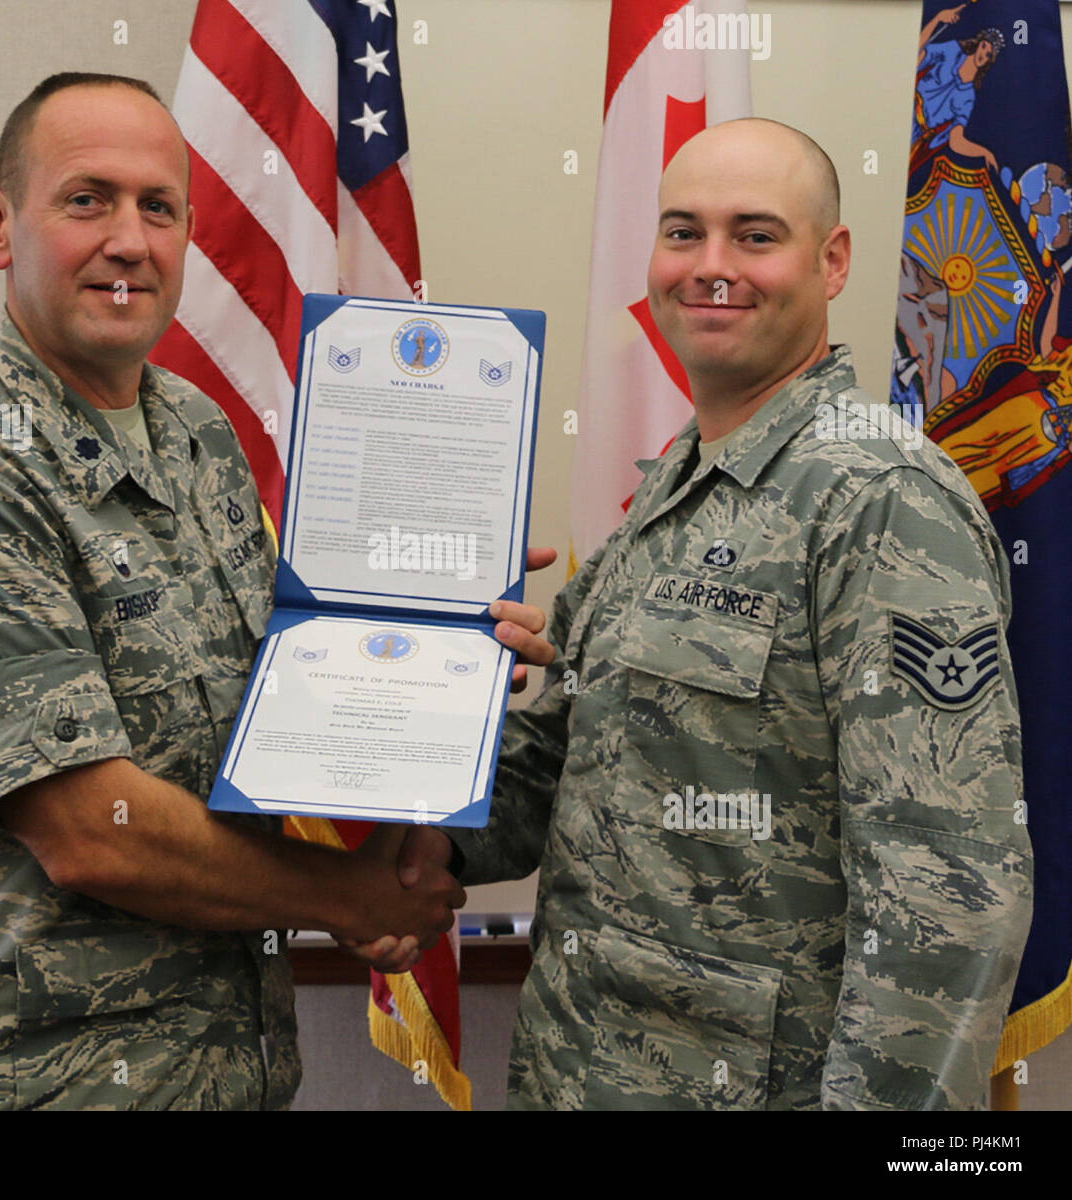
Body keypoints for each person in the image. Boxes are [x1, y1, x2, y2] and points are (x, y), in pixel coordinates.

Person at [0, 71, 552, 1111]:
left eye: (158, 207)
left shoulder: (196, 435)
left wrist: (439, 654)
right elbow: (88, 828)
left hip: (218, 1075)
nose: (129, 240)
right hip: (5, 1086)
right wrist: (349, 897)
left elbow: (275, 713)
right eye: (87, 200)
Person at [382, 119, 1035, 1110]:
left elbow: (948, 894)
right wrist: (426, 800)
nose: (711, 266)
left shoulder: (879, 499)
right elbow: (570, 766)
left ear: (832, 261)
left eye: (755, 235)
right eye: (683, 232)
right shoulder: (674, 487)